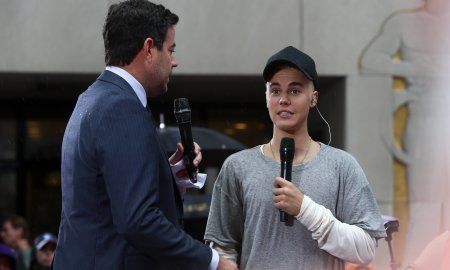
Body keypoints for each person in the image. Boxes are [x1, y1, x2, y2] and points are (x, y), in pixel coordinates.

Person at [52, 1, 236, 269]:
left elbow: (104, 195)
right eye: (171, 50)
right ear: (149, 48)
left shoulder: (91, 98)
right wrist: (214, 262)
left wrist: (168, 175)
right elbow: (138, 220)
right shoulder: (121, 107)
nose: (174, 61)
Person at [204, 46, 386, 270]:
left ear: (313, 98)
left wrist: (306, 210)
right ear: (267, 98)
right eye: (275, 91)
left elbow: (366, 249)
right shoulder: (238, 166)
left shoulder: (342, 166)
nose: (283, 100)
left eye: (294, 91)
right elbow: (222, 248)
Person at [360, 0, 450, 263]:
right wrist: (415, 69)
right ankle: (418, 263)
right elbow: (370, 59)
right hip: (425, 120)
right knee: (425, 205)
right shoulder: (405, 22)